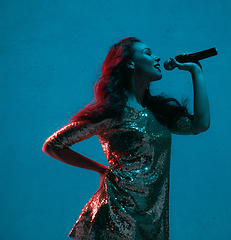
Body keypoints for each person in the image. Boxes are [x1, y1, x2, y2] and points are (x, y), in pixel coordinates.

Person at [42, 37, 210, 240]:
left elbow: (200, 124)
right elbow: (53, 145)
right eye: (148, 53)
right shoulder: (112, 114)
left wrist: (196, 72)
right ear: (130, 62)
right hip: (116, 216)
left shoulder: (159, 114)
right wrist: (101, 170)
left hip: (152, 219)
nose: (157, 57)